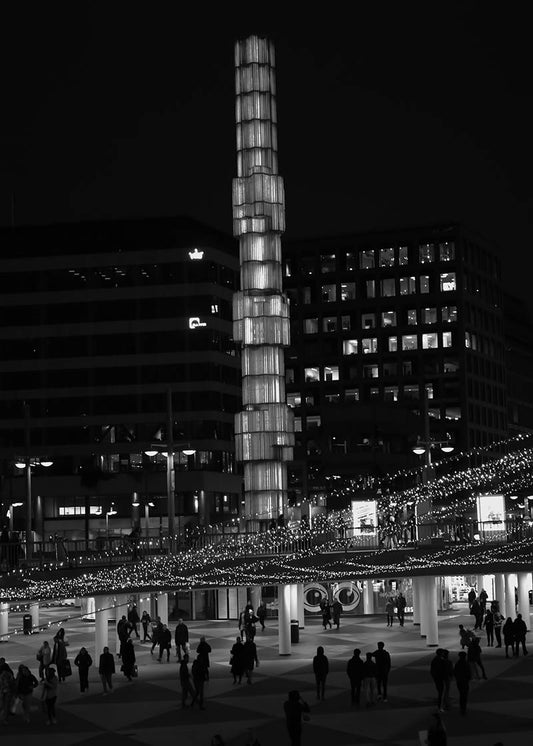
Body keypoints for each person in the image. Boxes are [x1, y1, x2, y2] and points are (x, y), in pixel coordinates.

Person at [454, 650, 471, 715]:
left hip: (459, 681)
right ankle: (463, 708)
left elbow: (455, 672)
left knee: (461, 694)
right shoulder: (466, 664)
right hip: (465, 681)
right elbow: (468, 673)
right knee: (464, 695)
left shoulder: (458, 663)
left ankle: (462, 708)